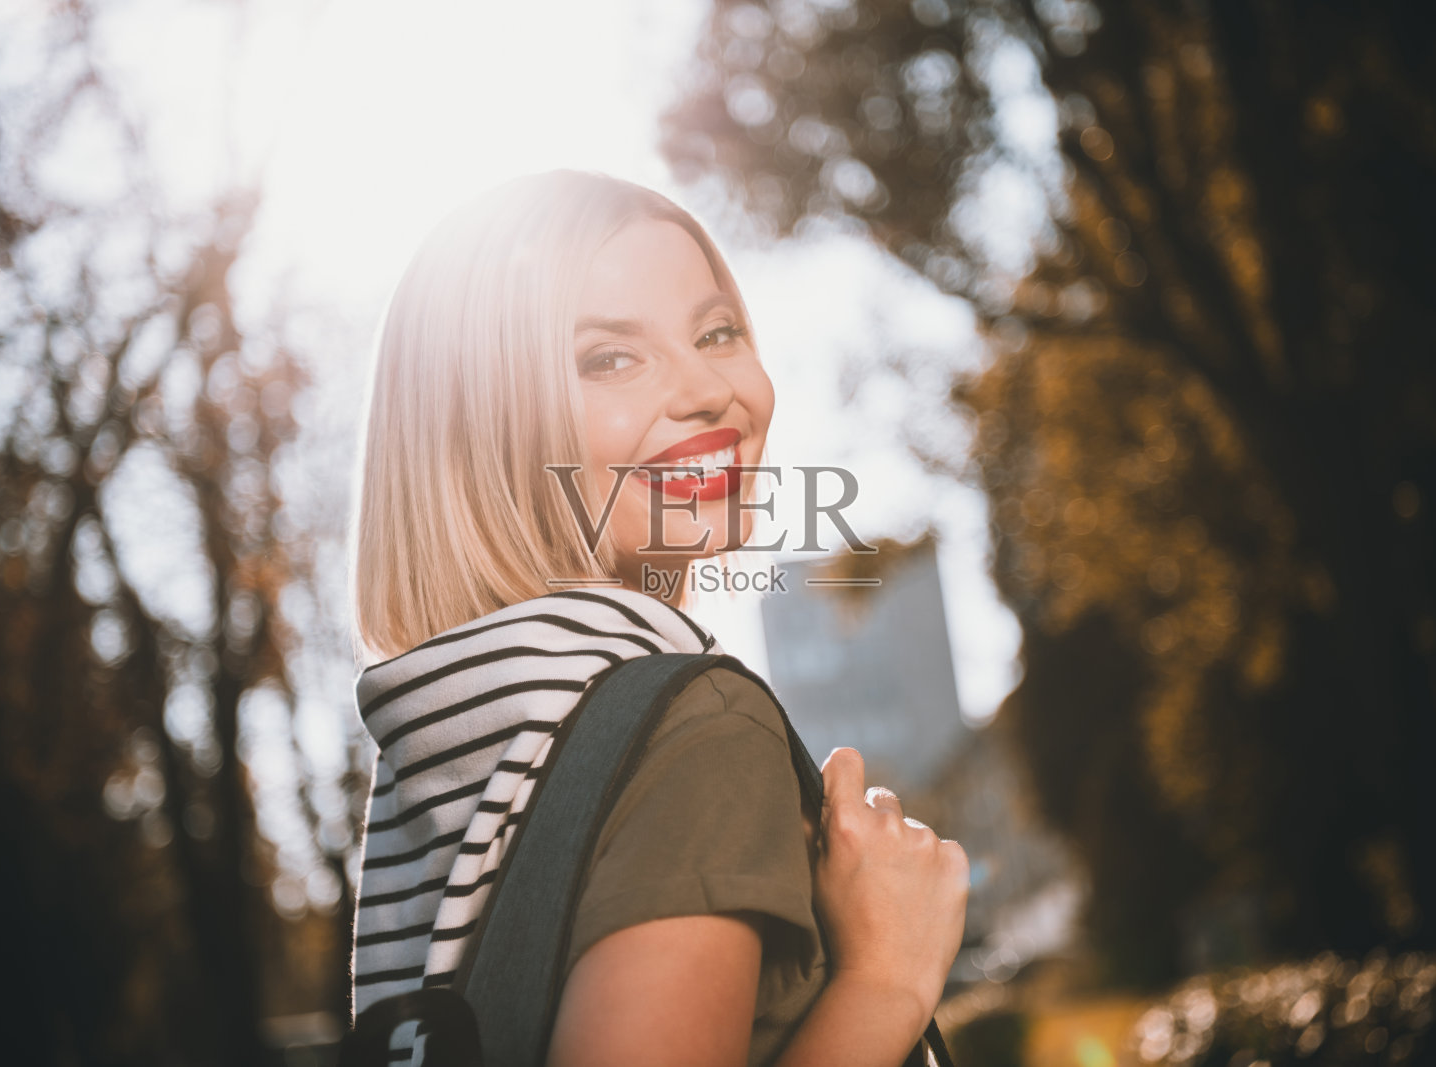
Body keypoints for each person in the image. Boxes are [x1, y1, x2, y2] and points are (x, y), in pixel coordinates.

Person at [346, 169, 970, 1067]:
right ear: (485, 426)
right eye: (610, 357)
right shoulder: (694, 727)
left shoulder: (445, 753)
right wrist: (886, 981)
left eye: (717, 332)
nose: (710, 389)